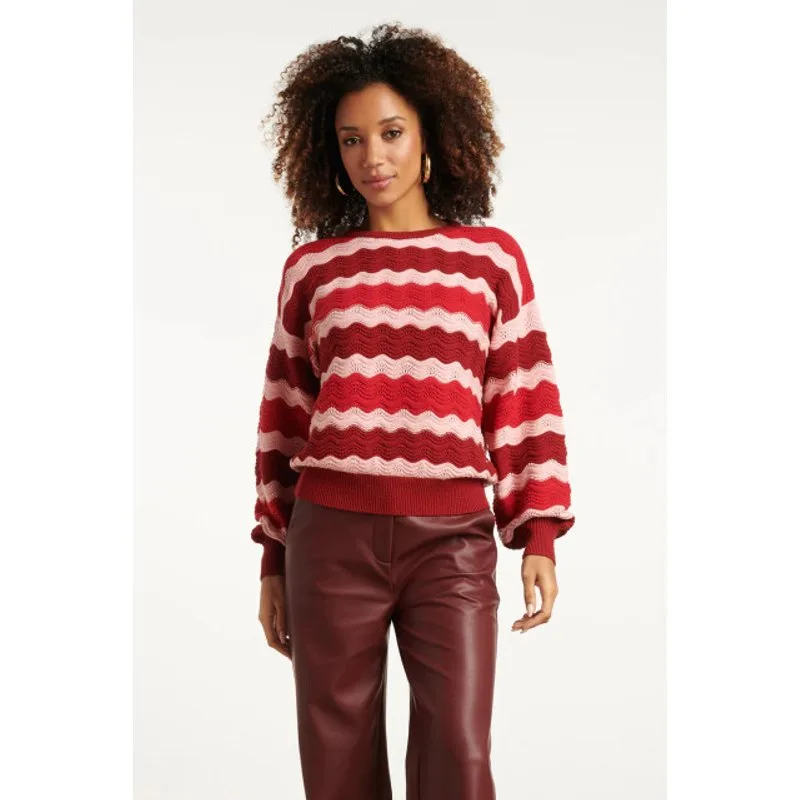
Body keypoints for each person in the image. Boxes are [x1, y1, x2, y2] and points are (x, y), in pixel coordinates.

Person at [251, 22, 575, 800]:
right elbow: (284, 415)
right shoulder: (312, 269)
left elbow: (523, 397)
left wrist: (536, 532)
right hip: (329, 537)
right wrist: (272, 556)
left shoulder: (491, 260)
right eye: (352, 139)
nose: (373, 156)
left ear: (432, 135)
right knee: (336, 760)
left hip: (452, 542)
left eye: (391, 132)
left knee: (458, 753)